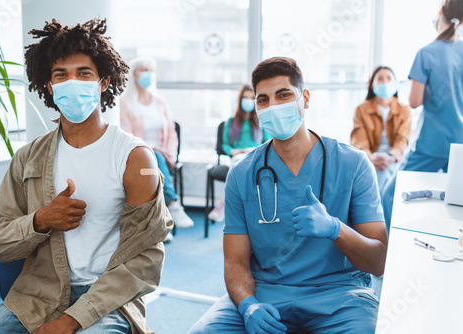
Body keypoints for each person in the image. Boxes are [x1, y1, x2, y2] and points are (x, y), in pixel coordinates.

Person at [0, 19, 172, 334]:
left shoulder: (135, 158)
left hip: (109, 299)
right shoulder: (28, 158)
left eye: (84, 73)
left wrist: (70, 321)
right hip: (37, 295)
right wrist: (41, 219)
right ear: (50, 87)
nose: (72, 82)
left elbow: (145, 260)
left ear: (104, 82)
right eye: (61, 75)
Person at [188, 57, 388, 334]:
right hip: (265, 294)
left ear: (305, 99)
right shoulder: (242, 173)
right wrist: (247, 305)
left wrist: (335, 229)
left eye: (284, 95)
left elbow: (378, 262)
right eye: (263, 100)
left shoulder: (353, 164)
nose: (273, 106)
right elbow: (235, 262)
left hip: (340, 297)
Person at [382, 0, 463, 230]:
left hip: (431, 144)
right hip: (459, 146)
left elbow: (415, 102)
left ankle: (387, 254)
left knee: (391, 194)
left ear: (440, 13)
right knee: (455, 203)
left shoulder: (426, 53)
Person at [120, 56, 194, 233]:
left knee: (156, 161)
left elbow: (171, 133)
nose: (149, 74)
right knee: (152, 159)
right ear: (134, 75)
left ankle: (157, 224)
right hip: (137, 155)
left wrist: (170, 154)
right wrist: (148, 150)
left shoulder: (160, 102)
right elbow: (126, 134)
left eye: (150, 71)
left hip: (162, 156)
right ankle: (172, 205)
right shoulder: (125, 103)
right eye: (144, 70)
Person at [208, 84, 271, 222]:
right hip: (237, 157)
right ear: (240, 100)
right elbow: (224, 143)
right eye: (245, 98)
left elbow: (268, 143)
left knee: (244, 165)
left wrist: (253, 150)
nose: (248, 101)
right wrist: (233, 151)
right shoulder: (231, 122)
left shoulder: (261, 122)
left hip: (255, 157)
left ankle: (224, 204)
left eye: (251, 98)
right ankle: (244, 208)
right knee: (239, 163)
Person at [351, 66, 411, 192]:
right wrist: (370, 158)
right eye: (379, 79)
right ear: (372, 86)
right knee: (377, 174)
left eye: (389, 78)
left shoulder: (404, 110)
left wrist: (391, 158)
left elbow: (403, 139)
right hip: (370, 159)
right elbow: (359, 139)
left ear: (395, 84)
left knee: (384, 175)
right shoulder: (361, 109)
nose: (384, 82)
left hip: (394, 160)